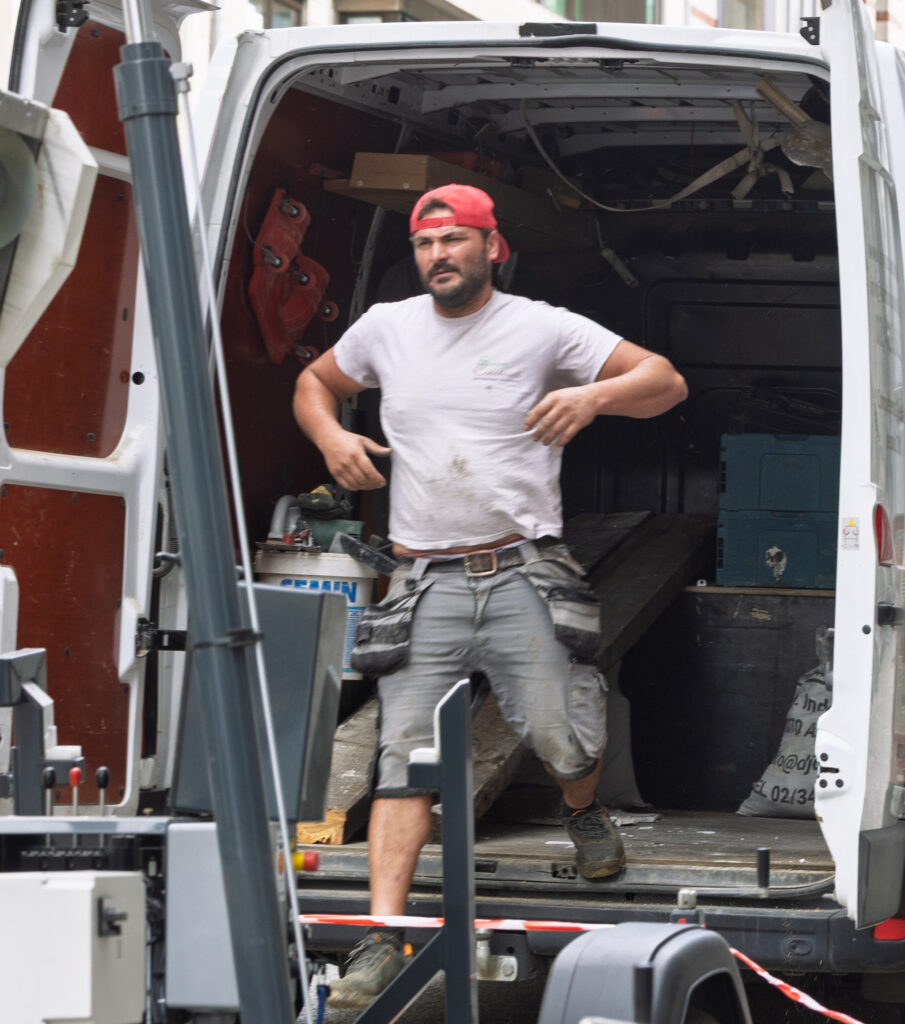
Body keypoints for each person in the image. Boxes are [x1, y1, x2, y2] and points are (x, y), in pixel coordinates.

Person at [293, 183, 688, 1009]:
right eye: (425, 244)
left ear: (492, 247)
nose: (438, 256)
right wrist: (330, 436)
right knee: (403, 760)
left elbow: (664, 382)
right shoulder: (386, 328)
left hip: (521, 570)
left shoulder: (542, 327)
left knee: (561, 735)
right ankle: (382, 936)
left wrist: (592, 395)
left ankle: (582, 810)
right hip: (423, 580)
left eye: (455, 241)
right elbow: (313, 383)